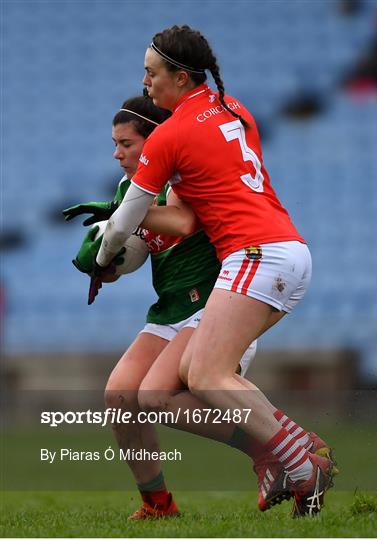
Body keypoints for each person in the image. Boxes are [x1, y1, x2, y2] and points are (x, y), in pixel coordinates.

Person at [88, 26, 337, 517]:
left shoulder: (171, 136)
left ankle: (303, 463)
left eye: (153, 73)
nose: (146, 81)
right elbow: (185, 210)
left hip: (256, 253)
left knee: (204, 374)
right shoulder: (233, 107)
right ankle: (294, 462)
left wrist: (101, 256)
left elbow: (124, 226)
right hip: (279, 247)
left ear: (180, 77)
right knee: (163, 389)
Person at [64, 95, 263, 519]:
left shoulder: (187, 175)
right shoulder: (128, 190)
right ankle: (158, 504)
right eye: (114, 144)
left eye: (126, 143)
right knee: (119, 395)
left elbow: (180, 222)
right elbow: (133, 253)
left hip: (215, 306)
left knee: (154, 395)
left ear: (153, 141)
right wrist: (102, 265)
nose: (116, 153)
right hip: (170, 311)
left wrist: (121, 218)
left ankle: (273, 447)